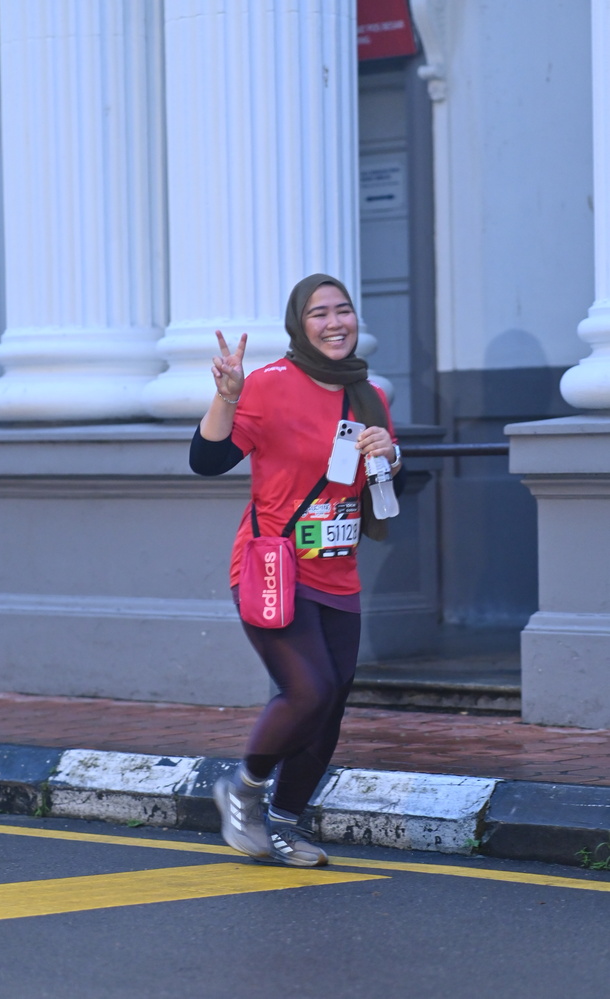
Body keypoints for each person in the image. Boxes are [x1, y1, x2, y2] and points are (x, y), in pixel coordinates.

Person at [189, 273, 401, 868]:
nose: (335, 323)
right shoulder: (269, 384)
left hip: (338, 569)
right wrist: (227, 396)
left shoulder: (370, 395)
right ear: (299, 325)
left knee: (330, 705)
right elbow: (207, 459)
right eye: (319, 313)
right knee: (309, 690)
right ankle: (244, 789)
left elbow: (379, 487)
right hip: (274, 568)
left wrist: (390, 455)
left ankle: (284, 824)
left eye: (343, 310)